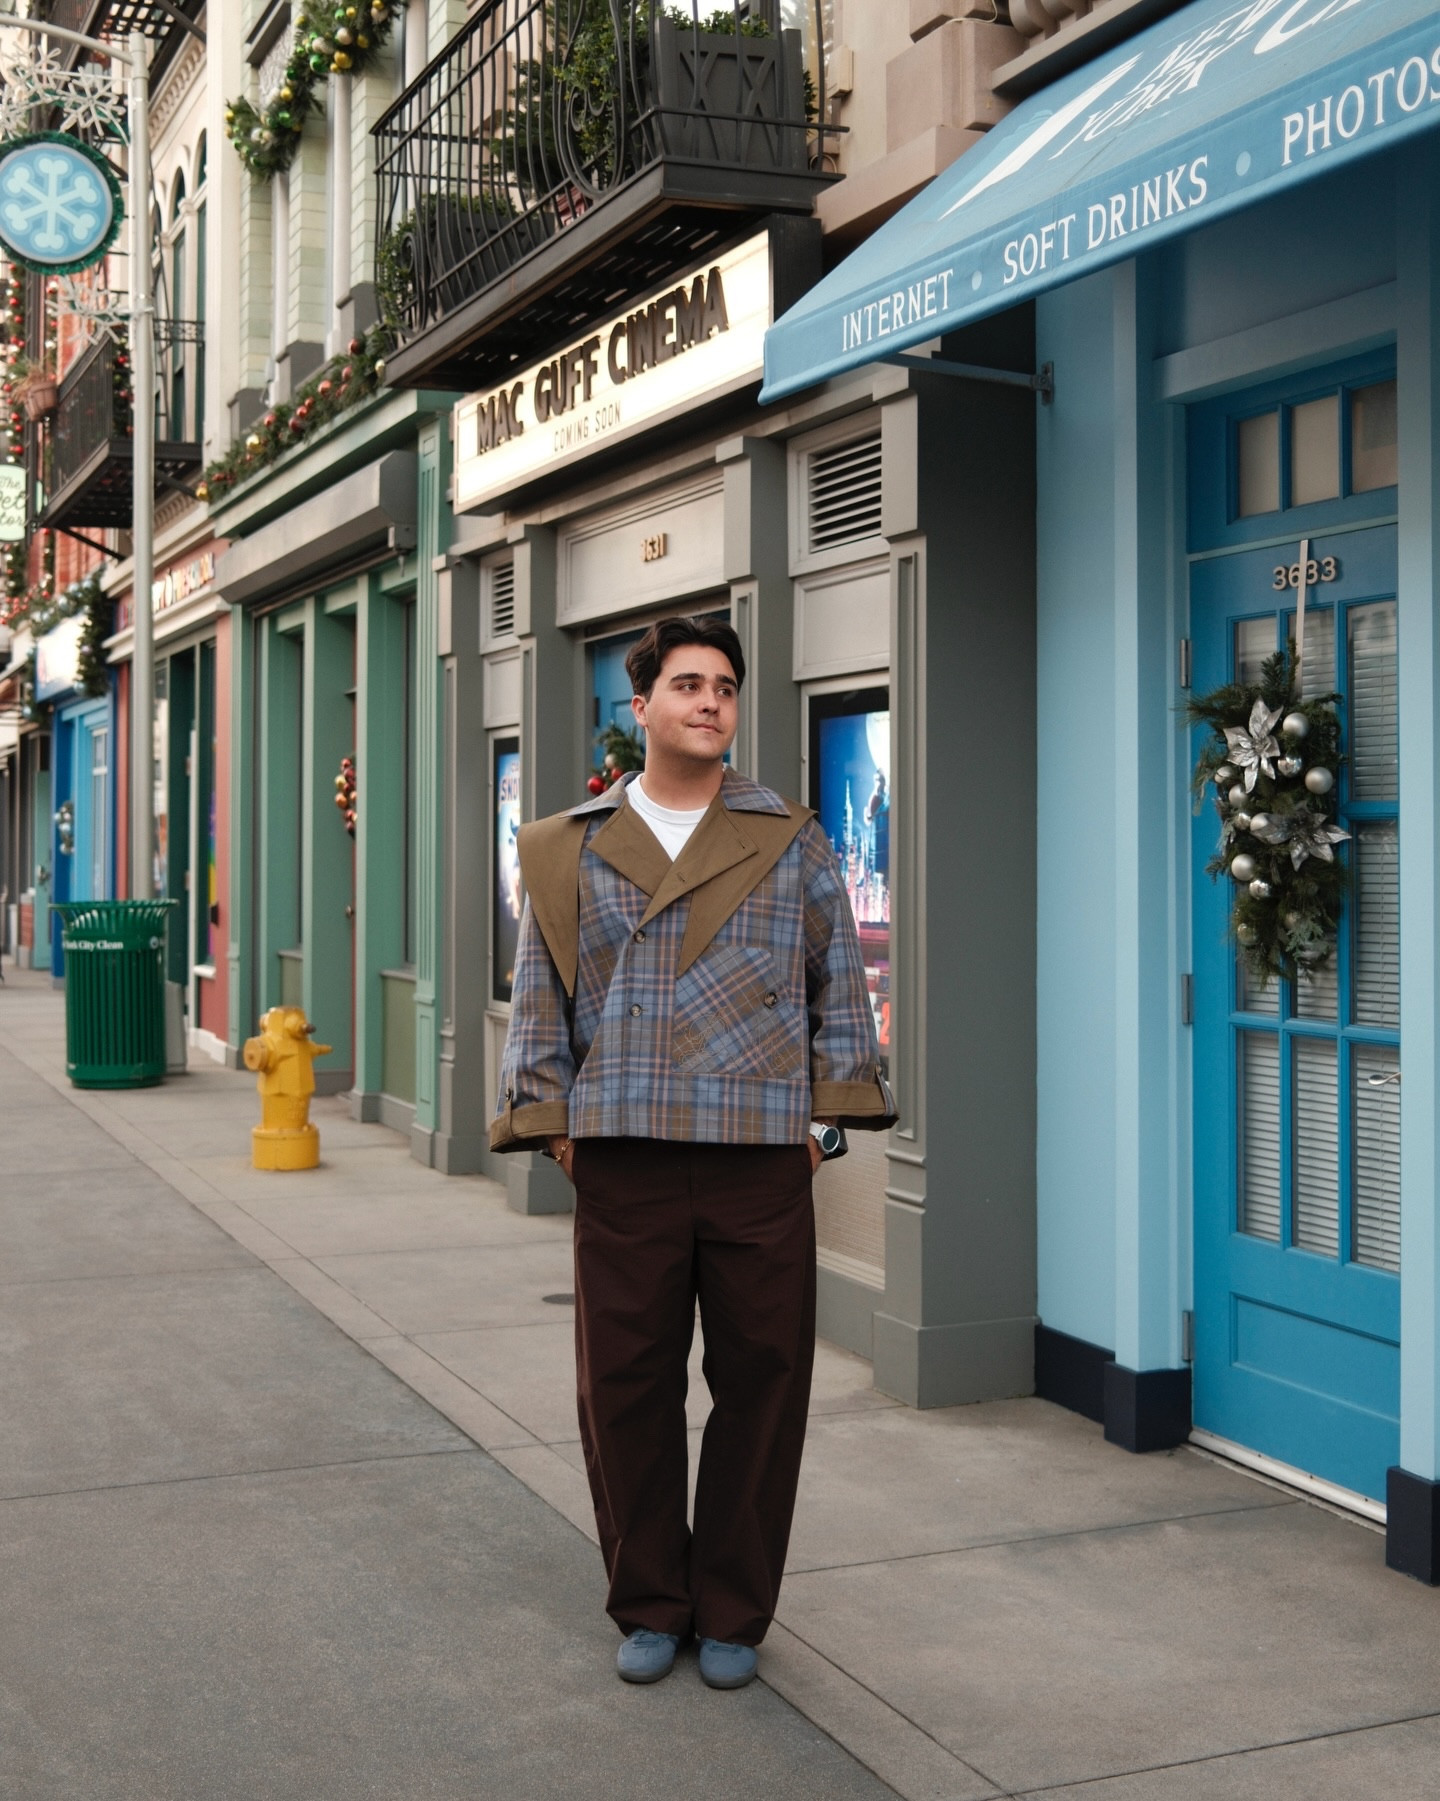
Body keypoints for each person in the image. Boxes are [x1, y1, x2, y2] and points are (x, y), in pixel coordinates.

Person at [491, 615, 895, 1689]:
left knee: (765, 1383)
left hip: (759, 1155)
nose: (711, 701)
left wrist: (817, 1132)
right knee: (623, 1386)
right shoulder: (569, 845)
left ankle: (732, 1609)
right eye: (687, 684)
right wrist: (562, 1128)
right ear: (644, 708)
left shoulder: (791, 836)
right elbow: (542, 1000)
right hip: (624, 1153)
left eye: (724, 686)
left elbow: (837, 988)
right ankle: (651, 1601)